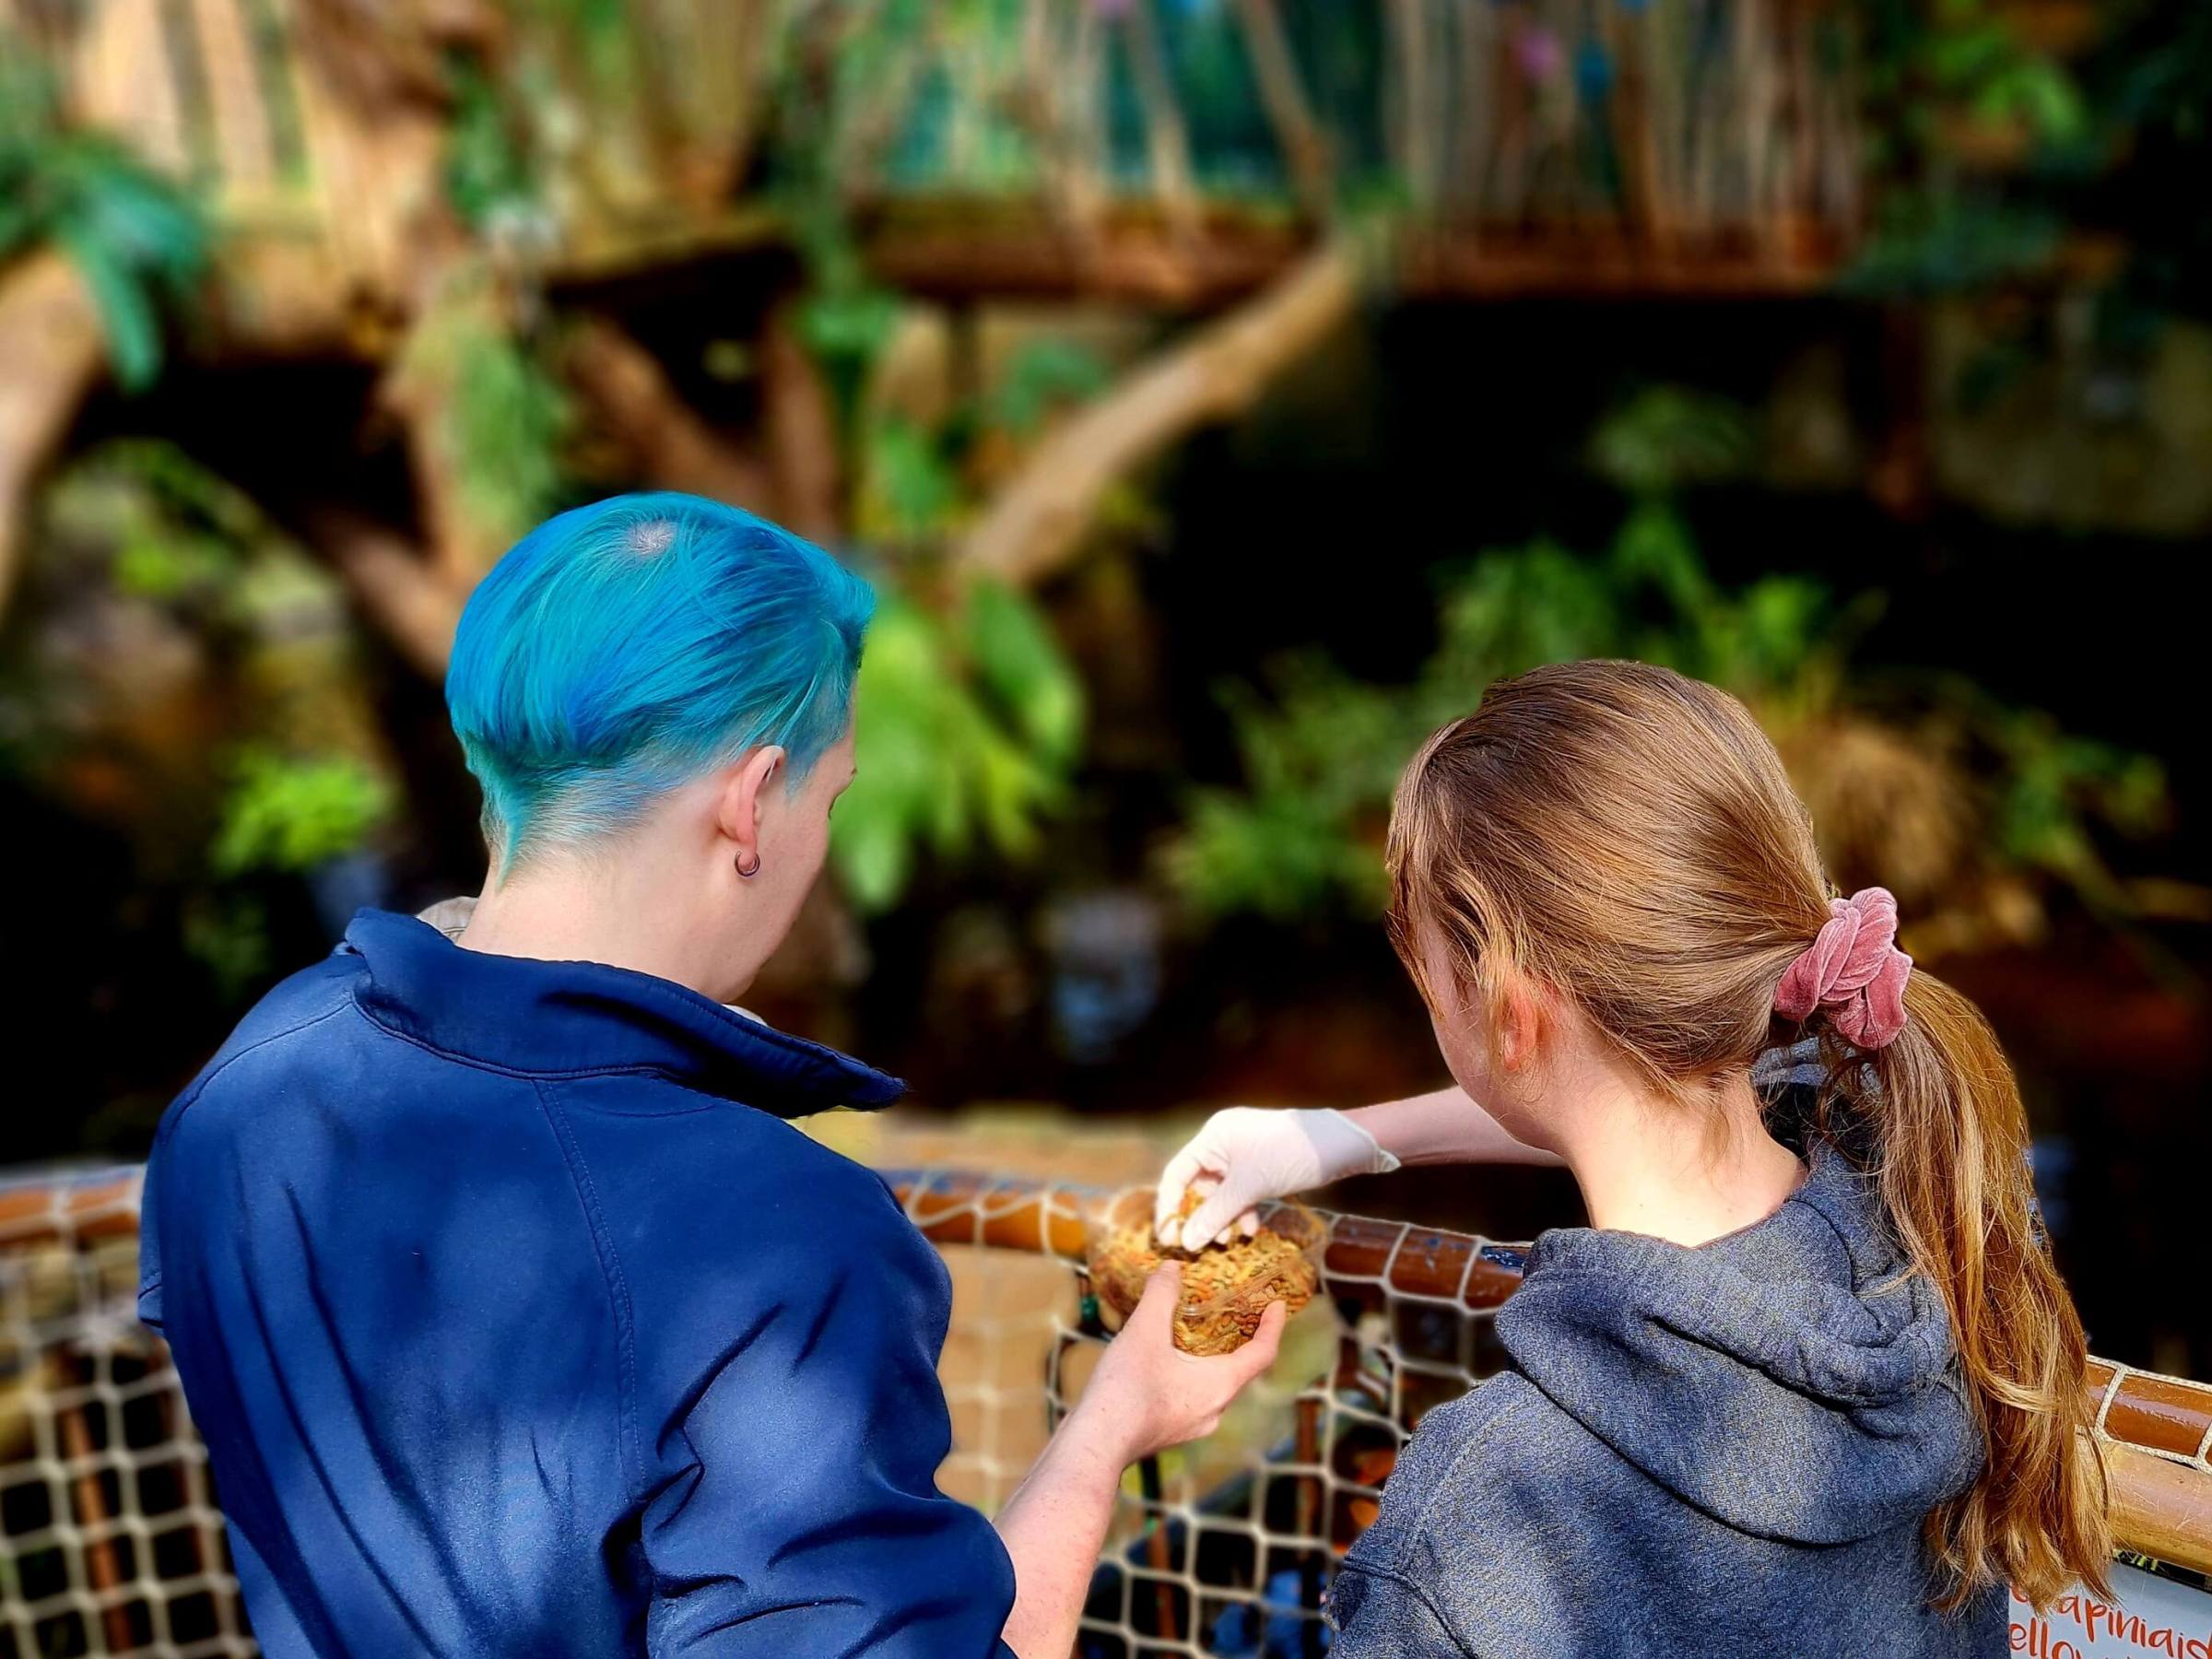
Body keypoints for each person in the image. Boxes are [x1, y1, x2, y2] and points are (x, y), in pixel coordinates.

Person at [137, 493, 1286, 1658]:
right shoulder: (776, 1230)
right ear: (751, 801)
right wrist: (1110, 1427)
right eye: (830, 796)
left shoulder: (248, 1085)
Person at [1153, 660, 2112, 1657]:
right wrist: (1333, 1135)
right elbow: (1622, 1088)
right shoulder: (1924, 1207)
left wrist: (1101, 1447)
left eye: (1426, 970)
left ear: (1509, 1011)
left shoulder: (1484, 1519)